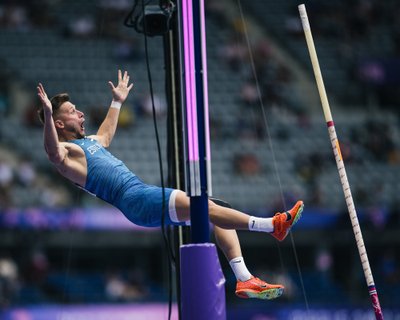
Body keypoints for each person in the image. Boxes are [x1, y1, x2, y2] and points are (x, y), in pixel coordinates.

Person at [37, 70, 304, 300]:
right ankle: (271, 226)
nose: (80, 112)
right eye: (72, 111)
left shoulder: (90, 143)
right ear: (59, 123)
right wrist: (48, 115)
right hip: (134, 199)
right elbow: (52, 153)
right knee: (205, 207)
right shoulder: (66, 153)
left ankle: (244, 278)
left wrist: (117, 102)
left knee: (218, 209)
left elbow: (105, 135)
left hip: (140, 195)